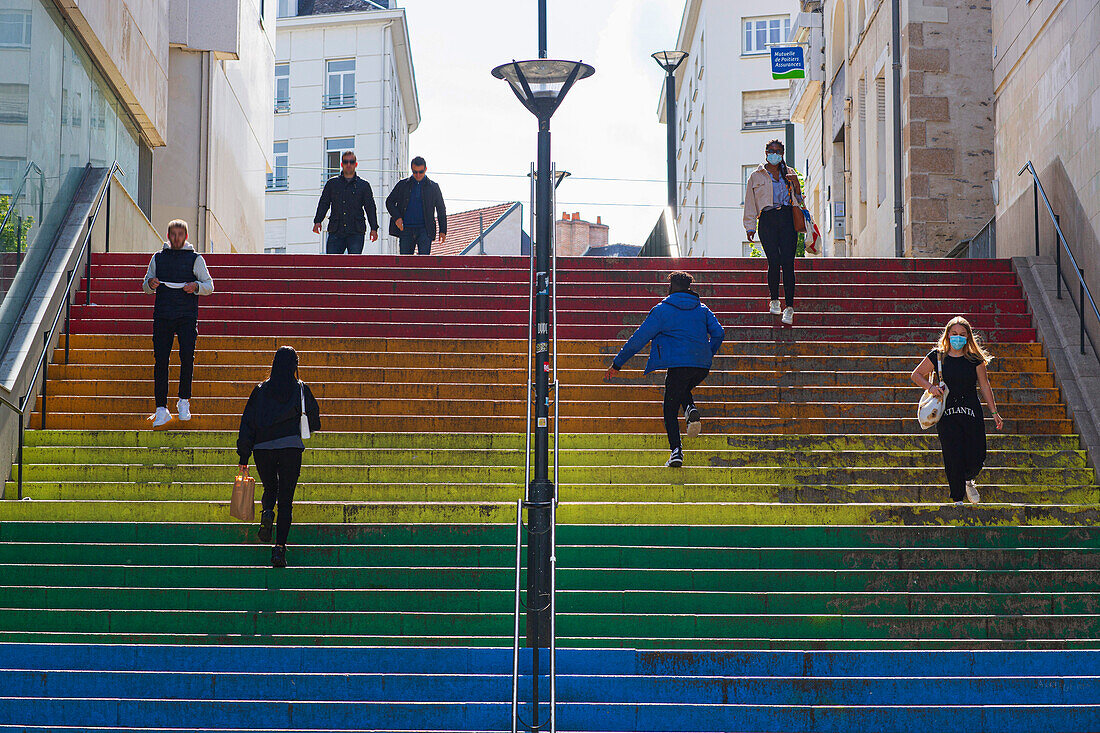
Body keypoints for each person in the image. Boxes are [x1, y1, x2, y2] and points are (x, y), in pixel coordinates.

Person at [604, 271, 724, 468]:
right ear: (689, 288)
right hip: (701, 366)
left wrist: (617, 364)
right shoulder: (702, 309)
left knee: (669, 406)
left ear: (670, 288)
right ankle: (690, 408)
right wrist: (708, 353)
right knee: (682, 387)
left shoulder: (662, 310)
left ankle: (676, 451)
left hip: (678, 365)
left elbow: (638, 340)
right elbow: (719, 333)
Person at [237, 346, 321, 568]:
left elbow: (248, 422)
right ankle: (279, 550)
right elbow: (315, 421)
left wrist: (244, 454)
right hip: (290, 448)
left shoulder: (260, 390)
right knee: (286, 501)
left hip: (262, 449)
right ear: (295, 365)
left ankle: (266, 511)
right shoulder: (301, 389)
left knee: (270, 487)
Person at [910, 317, 1004, 504]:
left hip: (971, 411)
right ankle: (957, 498)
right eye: (954, 334)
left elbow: (985, 386)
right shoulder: (937, 356)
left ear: (968, 337)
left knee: (977, 454)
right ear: (947, 335)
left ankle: (969, 479)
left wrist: (994, 412)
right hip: (947, 412)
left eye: (962, 334)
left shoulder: (975, 359)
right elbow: (916, 375)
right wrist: (931, 387)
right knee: (952, 454)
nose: (958, 338)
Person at [141, 219, 214, 428]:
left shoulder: (196, 259)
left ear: (186, 237)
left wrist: (196, 286)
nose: (176, 238)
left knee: (186, 359)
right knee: (161, 361)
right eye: (173, 234)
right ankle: (161, 409)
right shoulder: (157, 258)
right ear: (168, 235)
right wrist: (151, 284)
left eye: (180, 235)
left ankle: (184, 402)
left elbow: (210, 285)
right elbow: (145, 285)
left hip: (186, 315)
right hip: (163, 315)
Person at [744, 139, 803, 325]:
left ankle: (790, 307)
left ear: (783, 154)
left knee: (788, 263)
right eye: (771, 151)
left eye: (778, 151)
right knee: (773, 261)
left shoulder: (790, 172)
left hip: (787, 218)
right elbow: (750, 203)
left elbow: (799, 201)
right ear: (766, 152)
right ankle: (775, 300)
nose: (774, 154)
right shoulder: (756, 175)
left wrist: (797, 185)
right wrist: (750, 226)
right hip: (767, 219)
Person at [313, 150, 380, 254]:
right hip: (336, 230)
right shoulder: (332, 184)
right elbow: (324, 203)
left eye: (351, 162)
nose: (348, 164)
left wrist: (374, 228)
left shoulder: (363, 186)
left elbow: (370, 208)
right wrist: (318, 221)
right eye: (346, 162)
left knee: (354, 265)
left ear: (356, 164)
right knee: (332, 264)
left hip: (356, 231)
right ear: (341, 164)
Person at [386, 156, 447, 255]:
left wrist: (443, 230)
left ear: (425, 169)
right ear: (411, 170)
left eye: (421, 172)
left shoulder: (433, 187)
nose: (418, 175)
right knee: (405, 264)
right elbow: (389, 202)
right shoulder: (402, 185)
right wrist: (397, 218)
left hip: (425, 230)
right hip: (406, 229)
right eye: (415, 172)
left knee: (423, 263)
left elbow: (441, 209)